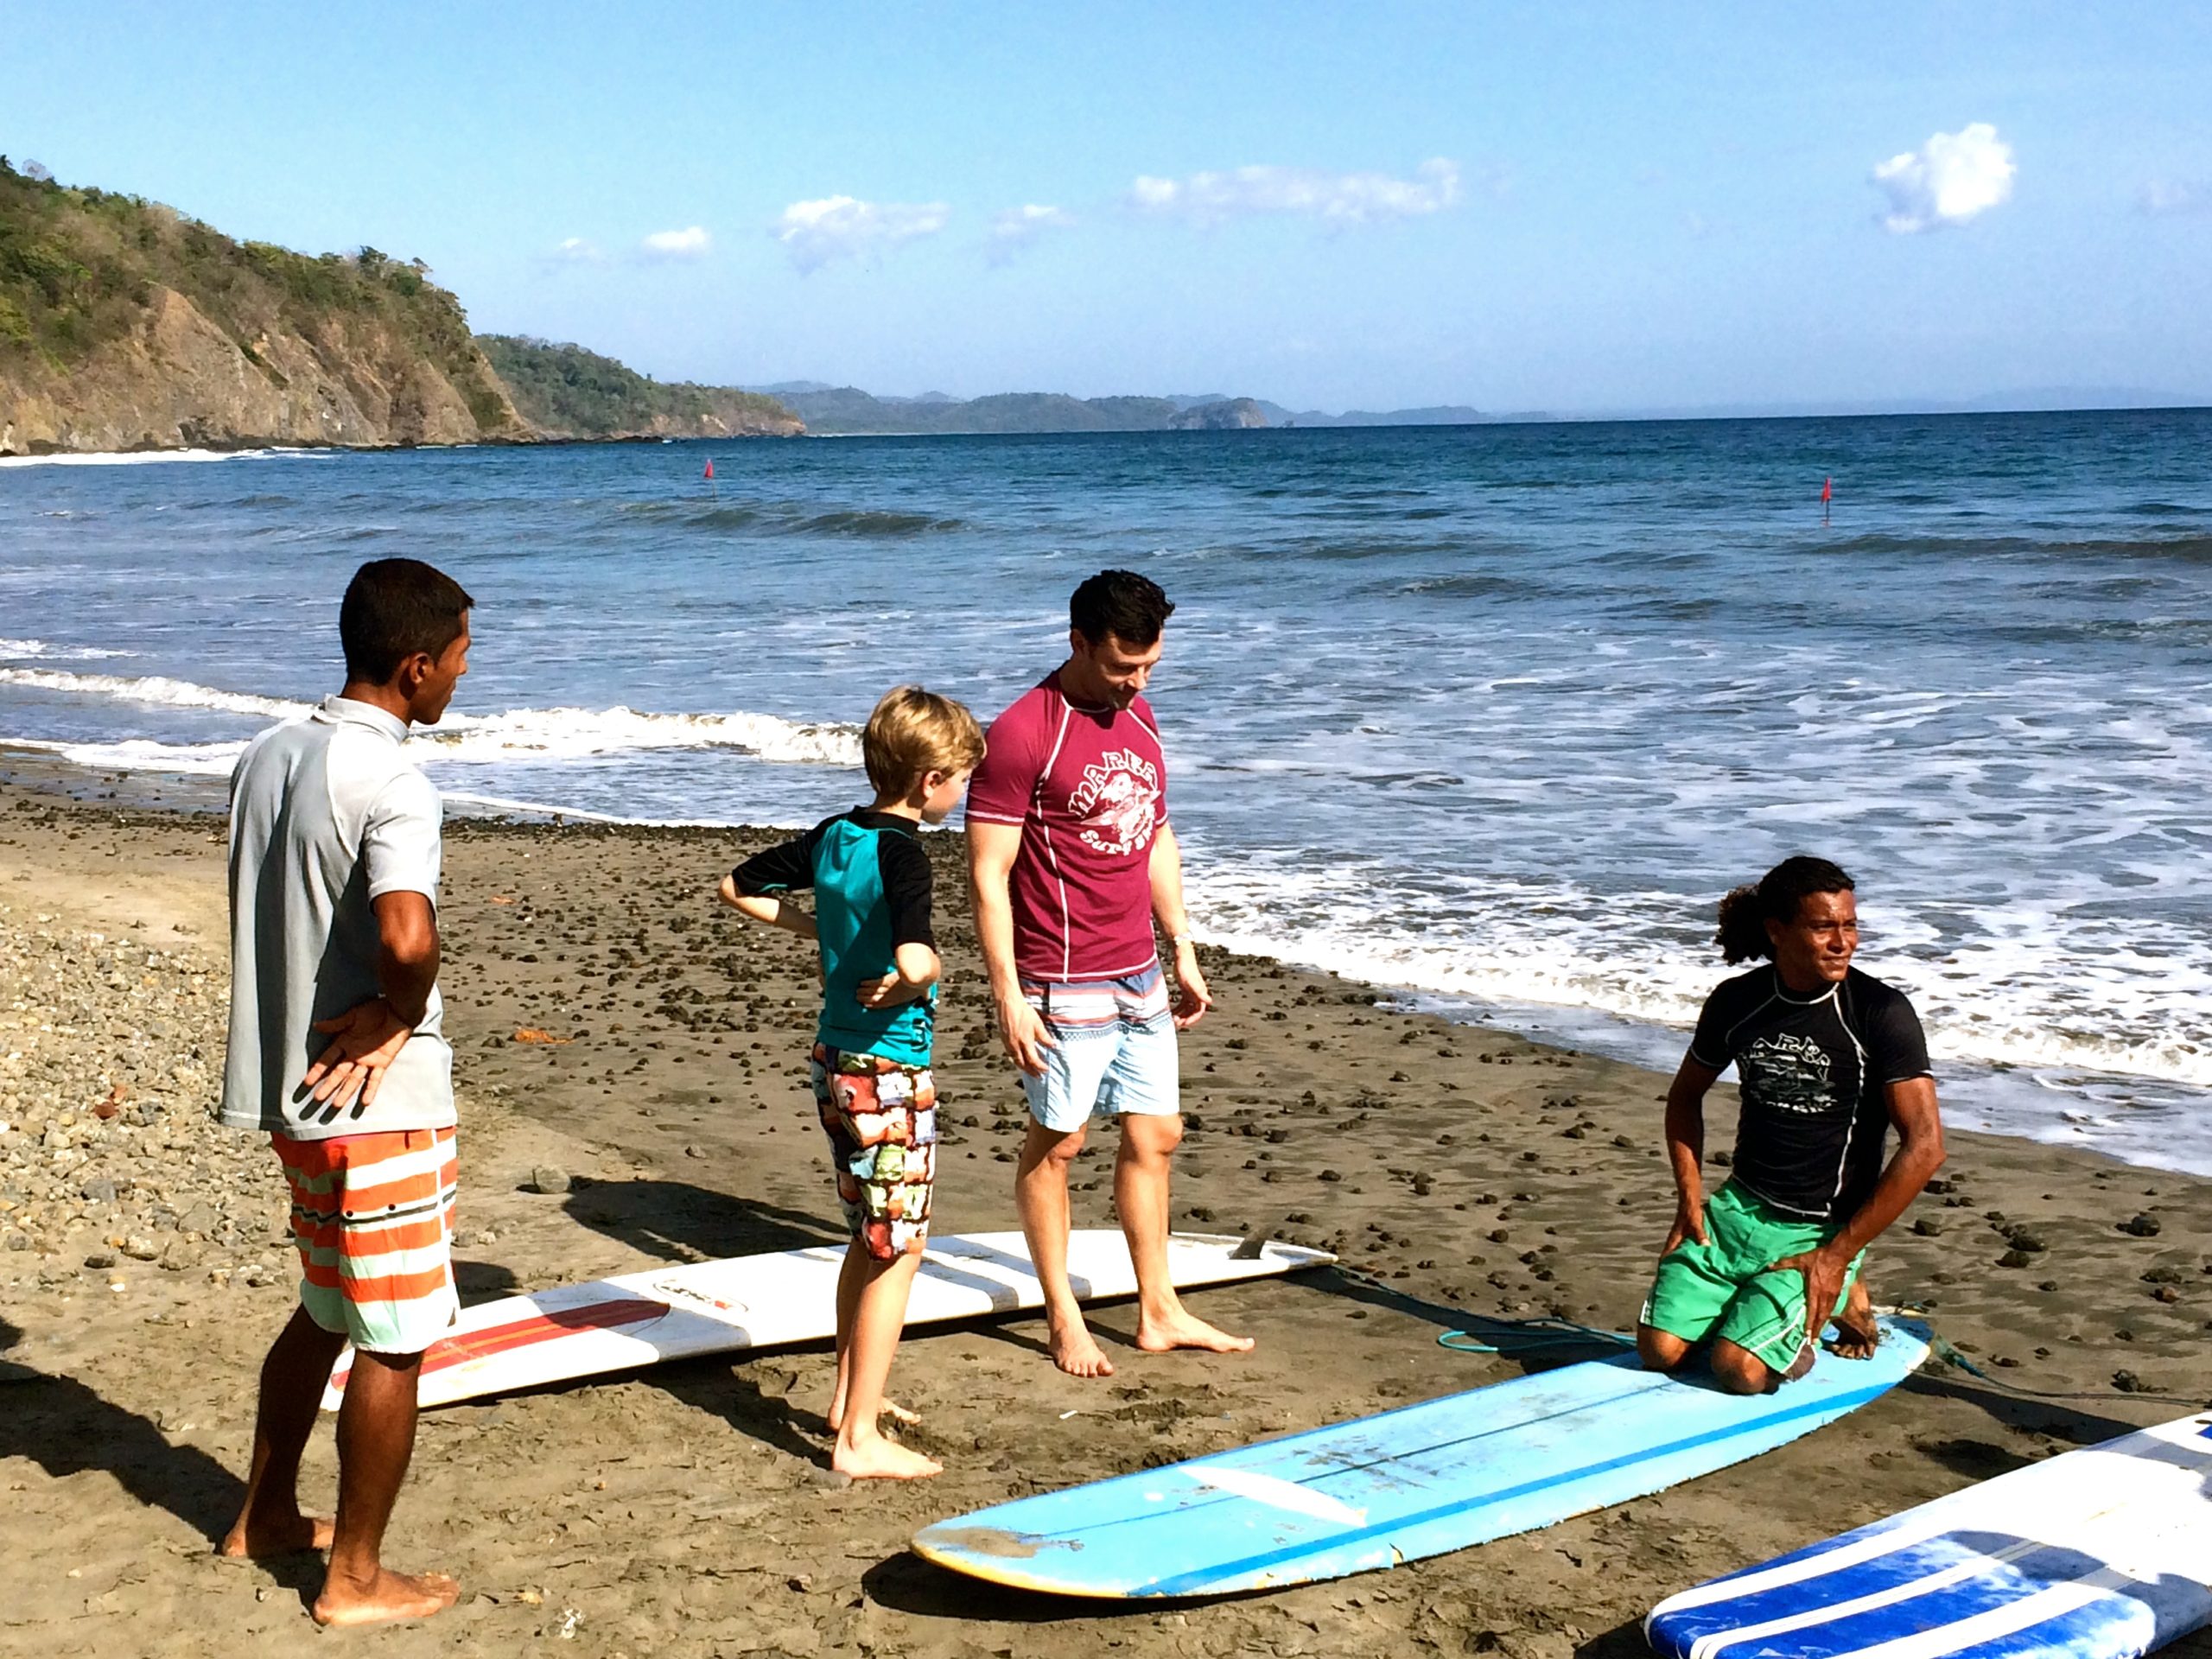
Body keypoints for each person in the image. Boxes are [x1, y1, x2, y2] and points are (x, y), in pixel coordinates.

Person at [216, 557, 473, 1627]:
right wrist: (400, 1010)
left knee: (326, 1308)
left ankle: (266, 1513)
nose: (464, 674)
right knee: (396, 1336)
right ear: (415, 667)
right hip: (379, 1101)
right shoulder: (397, 778)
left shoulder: (266, 751)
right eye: (460, 657)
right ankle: (356, 1577)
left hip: (290, 1093)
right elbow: (406, 934)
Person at [967, 569, 1253, 1378]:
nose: (1137, 683)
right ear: (1077, 643)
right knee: (1060, 1145)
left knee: (1157, 1135)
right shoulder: (1024, 734)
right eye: (1123, 666)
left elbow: (1155, 835)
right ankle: (1063, 1318)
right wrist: (1008, 995)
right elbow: (988, 875)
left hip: (1138, 972)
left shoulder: (1139, 715)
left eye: (1151, 667)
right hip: (1059, 979)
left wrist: (1183, 945)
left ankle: (1157, 1311)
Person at [719, 685, 984, 1478]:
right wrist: (915, 977)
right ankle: (858, 1437)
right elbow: (917, 956)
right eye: (962, 777)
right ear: (931, 779)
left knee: (865, 1237)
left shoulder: (836, 833)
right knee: (901, 1247)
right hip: (891, 1070)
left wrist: (819, 929)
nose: (964, 792)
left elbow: (737, 887)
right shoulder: (905, 851)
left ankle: (845, 1400)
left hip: (833, 1062)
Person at [1637, 855, 1945, 1395]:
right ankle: (1788, 1301)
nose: (1842, 941)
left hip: (1818, 1227)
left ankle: (1839, 1289)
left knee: (1738, 1372)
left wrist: (1837, 1255)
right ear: (1777, 932)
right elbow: (1685, 1096)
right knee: (1659, 1353)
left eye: (1849, 925)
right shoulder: (1738, 1001)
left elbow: (1925, 1147)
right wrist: (1689, 1201)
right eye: (1824, 927)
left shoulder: (1879, 1012)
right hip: (1736, 1212)